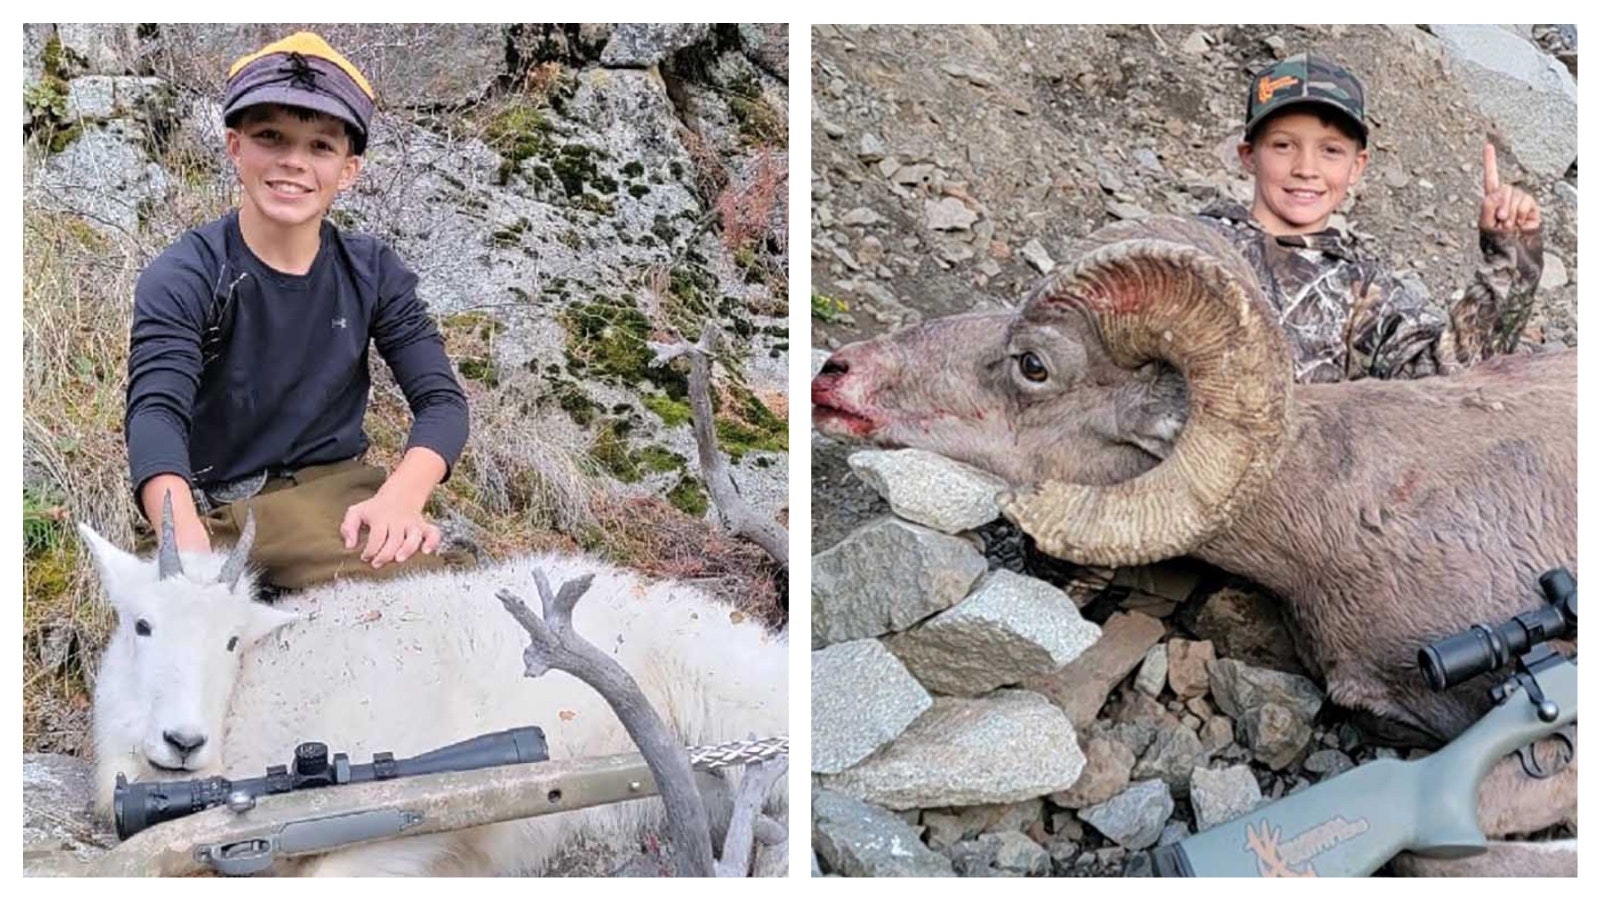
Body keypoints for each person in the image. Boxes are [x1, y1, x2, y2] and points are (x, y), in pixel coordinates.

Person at [125, 31, 468, 591]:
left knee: (445, 595)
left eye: (320, 146)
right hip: (212, 510)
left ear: (348, 170)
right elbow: (155, 413)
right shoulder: (186, 273)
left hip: (337, 500)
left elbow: (442, 402)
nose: (293, 162)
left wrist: (400, 499)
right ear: (235, 147)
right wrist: (179, 534)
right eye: (270, 136)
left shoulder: (371, 271)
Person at [1196, 53, 1545, 383]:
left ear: (1356, 167)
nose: (1305, 169)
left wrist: (1511, 254)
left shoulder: (1366, 289)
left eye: (1330, 151)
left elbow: (1450, 377)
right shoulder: (1192, 250)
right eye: (1283, 146)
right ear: (1248, 155)